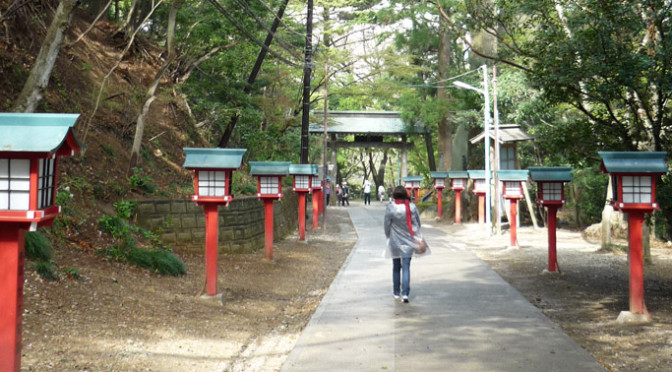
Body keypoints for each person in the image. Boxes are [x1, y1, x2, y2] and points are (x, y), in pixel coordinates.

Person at [383, 185, 429, 303]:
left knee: (396, 267)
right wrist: (418, 237)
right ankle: (405, 294)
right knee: (406, 267)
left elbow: (387, 225)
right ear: (405, 195)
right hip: (409, 241)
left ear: (394, 195)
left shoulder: (390, 208)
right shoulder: (412, 207)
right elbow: (417, 224)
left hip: (394, 241)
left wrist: (388, 236)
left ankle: (396, 292)